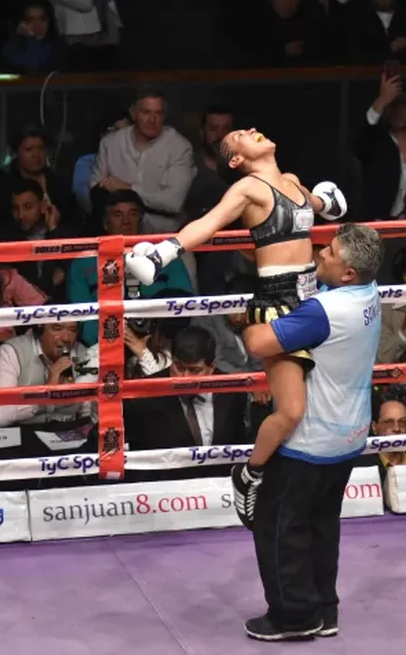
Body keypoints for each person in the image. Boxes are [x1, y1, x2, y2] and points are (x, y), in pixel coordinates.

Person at [126, 128, 348, 490]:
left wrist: (327, 202)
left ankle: (299, 476)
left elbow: (318, 205)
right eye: (241, 135)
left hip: (314, 300)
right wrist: (162, 252)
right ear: (236, 160)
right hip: (279, 305)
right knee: (291, 410)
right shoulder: (249, 190)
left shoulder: (290, 181)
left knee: (321, 404)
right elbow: (208, 224)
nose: (253, 131)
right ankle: (250, 475)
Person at [228, 223, 383, 641]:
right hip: (349, 434)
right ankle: (324, 608)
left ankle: (293, 617)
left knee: (279, 524)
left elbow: (259, 343)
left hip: (310, 440)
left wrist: (250, 316)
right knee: (320, 524)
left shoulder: (325, 312)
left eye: (329, 252)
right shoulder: (369, 293)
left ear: (349, 272)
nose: (320, 255)